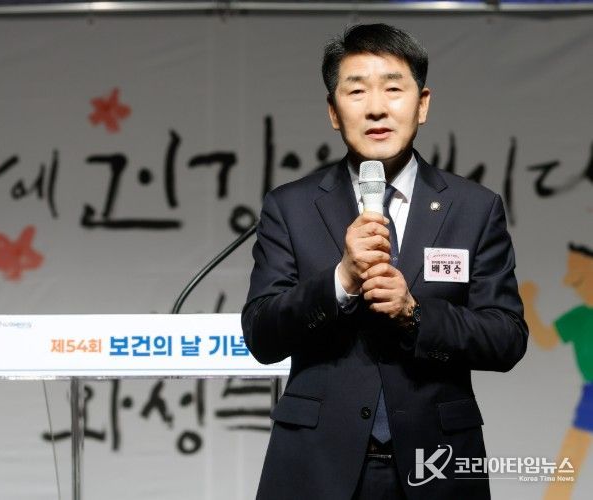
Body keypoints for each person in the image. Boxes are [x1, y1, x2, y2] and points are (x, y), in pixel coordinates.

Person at [242, 23, 528, 500]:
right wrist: (341, 280)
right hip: (316, 466)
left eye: (393, 89)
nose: (376, 107)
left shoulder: (473, 208)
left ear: (422, 104)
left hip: (436, 464)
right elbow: (261, 334)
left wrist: (415, 314)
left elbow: (506, 338)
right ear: (334, 112)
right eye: (357, 91)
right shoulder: (291, 207)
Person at [520, 243, 593, 500]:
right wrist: (528, 304)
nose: (569, 281)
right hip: (591, 395)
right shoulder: (580, 316)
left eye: (577, 275)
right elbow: (547, 338)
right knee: (571, 456)